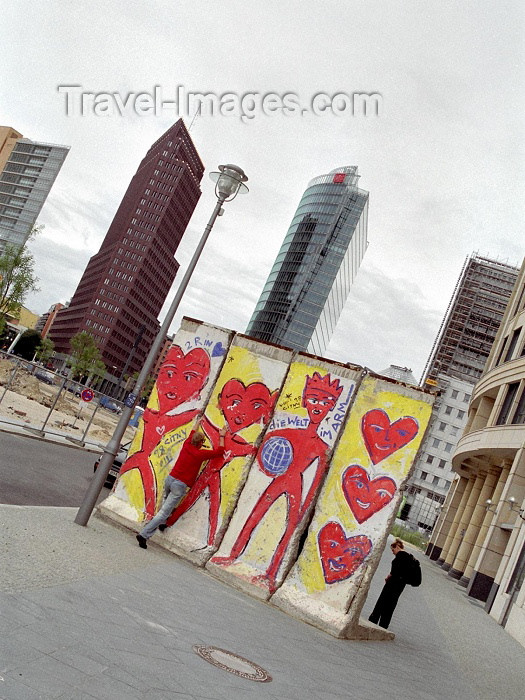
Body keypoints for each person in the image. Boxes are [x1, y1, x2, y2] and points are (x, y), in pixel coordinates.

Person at [136, 419, 226, 549]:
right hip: (179, 485)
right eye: (203, 442)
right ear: (200, 443)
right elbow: (220, 452)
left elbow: (192, 432)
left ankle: (163, 523)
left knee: (165, 506)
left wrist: (198, 422)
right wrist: (222, 436)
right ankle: (144, 535)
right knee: (163, 512)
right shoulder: (200, 454)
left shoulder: (186, 445)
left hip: (170, 479)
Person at [368, 538, 412, 629]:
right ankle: (384, 623)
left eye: (393, 550)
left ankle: (374, 618)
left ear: (397, 547)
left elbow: (395, 570)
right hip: (400, 585)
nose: (393, 552)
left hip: (392, 583)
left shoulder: (400, 556)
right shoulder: (410, 557)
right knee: (391, 604)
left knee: (382, 601)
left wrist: (389, 576)